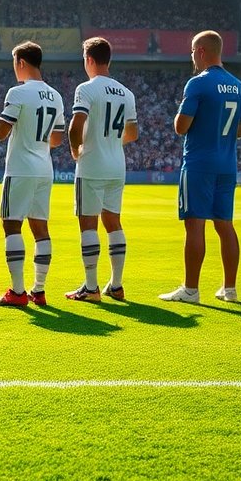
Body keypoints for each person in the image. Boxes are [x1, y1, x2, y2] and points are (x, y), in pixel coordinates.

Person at [160, 30, 241, 304]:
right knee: (225, 225)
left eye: (192, 52)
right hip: (227, 164)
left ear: (201, 51)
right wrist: (220, 133)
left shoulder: (197, 84)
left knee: (195, 225)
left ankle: (190, 289)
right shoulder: (239, 86)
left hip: (199, 164)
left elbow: (181, 127)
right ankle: (230, 288)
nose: (191, 57)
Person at [0, 40, 66, 307]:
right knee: (40, 229)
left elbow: (0, 132)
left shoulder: (17, 93)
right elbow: (57, 138)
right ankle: (38, 290)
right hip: (44, 168)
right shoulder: (56, 95)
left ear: (21, 63)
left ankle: (17, 292)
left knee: (11, 225)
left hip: (20, 169)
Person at [64, 37, 139, 303]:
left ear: (89, 60)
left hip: (92, 164)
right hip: (117, 165)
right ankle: (116, 285)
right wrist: (110, 140)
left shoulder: (86, 89)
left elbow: (75, 127)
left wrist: (76, 151)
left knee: (88, 225)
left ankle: (91, 286)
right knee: (113, 222)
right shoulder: (126, 92)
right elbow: (132, 133)